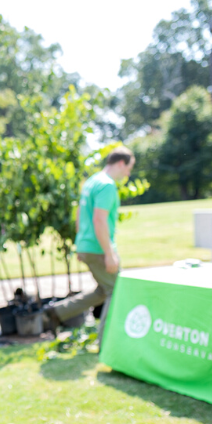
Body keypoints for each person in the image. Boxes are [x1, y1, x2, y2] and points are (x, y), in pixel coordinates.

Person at [45, 146, 136, 344]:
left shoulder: (92, 182)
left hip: (87, 245)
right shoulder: (107, 186)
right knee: (116, 290)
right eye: (129, 168)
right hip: (97, 248)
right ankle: (107, 343)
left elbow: (79, 213)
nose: (128, 173)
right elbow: (99, 220)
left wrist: (79, 242)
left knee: (103, 290)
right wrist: (109, 253)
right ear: (121, 163)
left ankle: (58, 312)